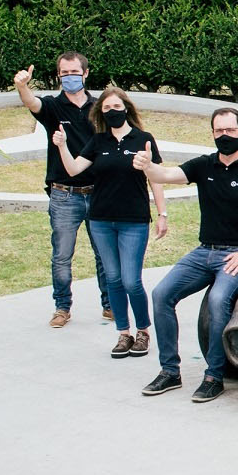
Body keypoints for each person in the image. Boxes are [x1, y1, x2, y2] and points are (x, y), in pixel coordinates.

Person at [129, 107, 238, 403]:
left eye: (230, 131)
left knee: (217, 300)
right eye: (219, 131)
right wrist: (147, 166)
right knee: (161, 294)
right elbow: (167, 174)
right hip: (205, 252)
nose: (224, 136)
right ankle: (169, 371)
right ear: (213, 133)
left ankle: (214, 375)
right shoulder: (205, 165)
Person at [51, 86, 169, 359]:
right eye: (106, 109)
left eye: (117, 107)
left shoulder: (144, 139)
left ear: (126, 108)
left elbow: (156, 179)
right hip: (101, 220)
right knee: (113, 279)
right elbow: (73, 169)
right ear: (100, 113)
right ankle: (123, 333)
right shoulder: (99, 141)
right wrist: (61, 146)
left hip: (134, 220)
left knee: (131, 280)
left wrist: (162, 214)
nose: (113, 112)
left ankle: (143, 331)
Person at [14, 52, 117, 328]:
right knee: (61, 255)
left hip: (98, 193)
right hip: (64, 195)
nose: (69, 77)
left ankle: (111, 306)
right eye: (64, 73)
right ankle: (62, 307)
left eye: (74, 72)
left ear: (85, 74)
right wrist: (22, 86)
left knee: (105, 253)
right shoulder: (53, 107)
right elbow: (32, 102)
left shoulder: (100, 108)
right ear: (58, 75)